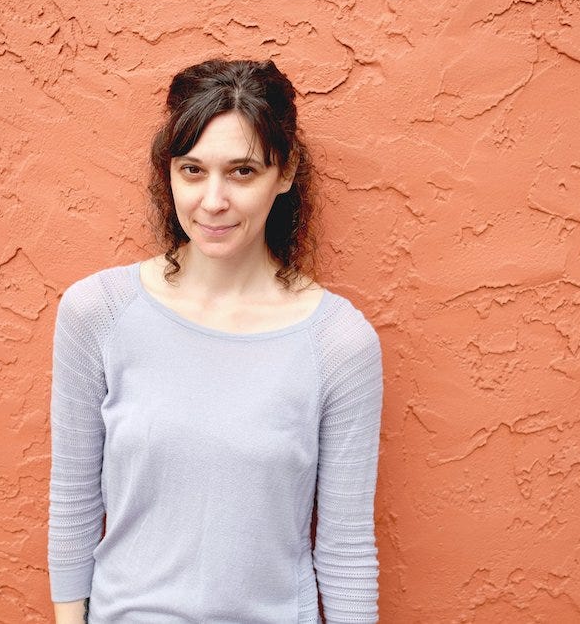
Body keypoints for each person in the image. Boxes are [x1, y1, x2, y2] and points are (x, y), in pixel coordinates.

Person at [47, 58, 384, 624]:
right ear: (169, 172)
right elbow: (74, 502)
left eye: (243, 171)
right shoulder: (98, 312)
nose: (213, 200)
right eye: (193, 170)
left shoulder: (339, 343)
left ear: (286, 170)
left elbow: (346, 548)